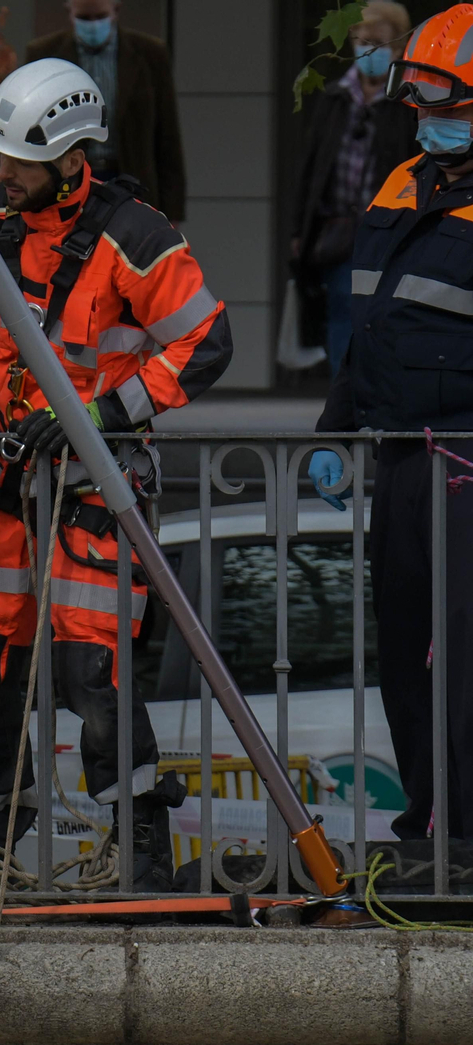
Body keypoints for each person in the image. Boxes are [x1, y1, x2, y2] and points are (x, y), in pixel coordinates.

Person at [0, 59, 232, 888]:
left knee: (94, 675)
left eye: (18, 161)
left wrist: (100, 417)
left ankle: (141, 852)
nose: (2, 174)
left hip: (94, 490)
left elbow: (207, 345)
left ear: (69, 155)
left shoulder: (137, 235)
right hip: (3, 486)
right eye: (0, 158)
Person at [308, 5, 473, 843]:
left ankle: (468, 838)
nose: (430, 123)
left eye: (449, 110)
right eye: (423, 109)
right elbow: (366, 331)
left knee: (465, 662)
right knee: (408, 659)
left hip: (467, 463)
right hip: (402, 463)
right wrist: (334, 434)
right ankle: (428, 832)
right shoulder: (401, 182)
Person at [292, 1, 418, 375]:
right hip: (338, 228)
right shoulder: (335, 98)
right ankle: (343, 397)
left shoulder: (408, 100)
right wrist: (300, 229)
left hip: (390, 228)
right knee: (342, 309)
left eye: (380, 42)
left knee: (384, 312)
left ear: (398, 47)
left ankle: (378, 396)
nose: (370, 50)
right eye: (363, 41)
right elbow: (312, 168)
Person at [26, 0, 186, 222]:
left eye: (99, 16)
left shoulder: (151, 54)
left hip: (132, 180)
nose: (92, 25)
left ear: (116, 10)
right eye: (84, 18)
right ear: (69, 12)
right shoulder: (44, 54)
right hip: (68, 184)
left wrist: (172, 213)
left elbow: (168, 139)